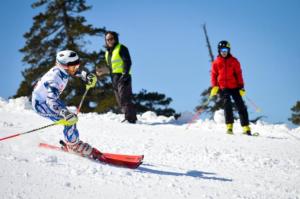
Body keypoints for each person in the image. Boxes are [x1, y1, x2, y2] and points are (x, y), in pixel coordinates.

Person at [31, 50, 98, 156]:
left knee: (71, 119)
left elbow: (75, 72)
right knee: (70, 120)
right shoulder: (55, 79)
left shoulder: (63, 71)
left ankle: (72, 143)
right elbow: (51, 100)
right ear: (64, 66)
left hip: (48, 101)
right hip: (41, 104)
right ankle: (73, 146)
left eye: (77, 65)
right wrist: (64, 113)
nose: (76, 68)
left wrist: (86, 75)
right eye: (73, 67)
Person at [210, 40, 252, 135]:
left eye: (225, 50)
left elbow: (239, 74)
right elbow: (213, 75)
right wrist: (214, 86)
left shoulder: (234, 61)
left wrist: (241, 87)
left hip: (234, 86)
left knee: (240, 105)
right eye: (222, 50)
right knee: (227, 104)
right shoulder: (216, 63)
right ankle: (229, 127)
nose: (223, 52)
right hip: (223, 87)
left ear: (228, 50)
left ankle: (246, 127)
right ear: (219, 51)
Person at [103, 31, 137, 123]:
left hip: (123, 76)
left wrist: (125, 74)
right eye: (107, 39)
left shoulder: (121, 48)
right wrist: (102, 71)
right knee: (119, 99)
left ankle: (130, 118)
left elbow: (127, 61)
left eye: (111, 39)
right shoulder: (107, 52)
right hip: (114, 77)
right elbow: (111, 67)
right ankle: (129, 117)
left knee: (125, 97)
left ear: (115, 39)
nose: (109, 41)